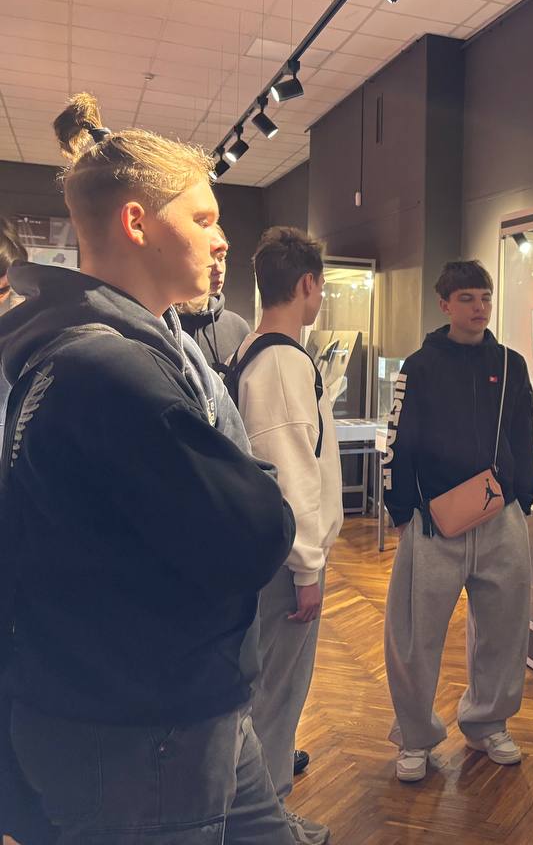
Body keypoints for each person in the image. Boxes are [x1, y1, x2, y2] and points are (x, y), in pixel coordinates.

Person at [0, 93, 297, 844]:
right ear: (137, 223)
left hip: (176, 697)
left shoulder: (96, 355)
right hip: (142, 728)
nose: (222, 240)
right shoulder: (113, 373)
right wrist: (259, 483)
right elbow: (256, 533)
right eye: (203, 218)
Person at [382, 259, 533, 781]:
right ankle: (415, 736)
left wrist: (524, 497)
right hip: (433, 521)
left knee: (503, 628)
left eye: (485, 297)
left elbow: (524, 432)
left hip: (500, 517)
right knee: (414, 636)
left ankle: (488, 722)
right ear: (445, 304)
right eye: (467, 298)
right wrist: (401, 509)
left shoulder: (511, 364)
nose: (479, 307)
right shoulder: (420, 366)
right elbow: (399, 439)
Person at [232, 227, 343, 844]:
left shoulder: (254, 350)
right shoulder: (282, 362)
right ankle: (267, 818)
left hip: (267, 556)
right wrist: (307, 568)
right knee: (276, 692)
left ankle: (259, 804)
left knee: (268, 688)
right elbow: (291, 473)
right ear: (306, 284)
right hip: (283, 563)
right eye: (319, 286)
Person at [178, 222, 251, 370]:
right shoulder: (164, 325)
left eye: (221, 258)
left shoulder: (238, 328)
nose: (218, 268)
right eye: (208, 258)